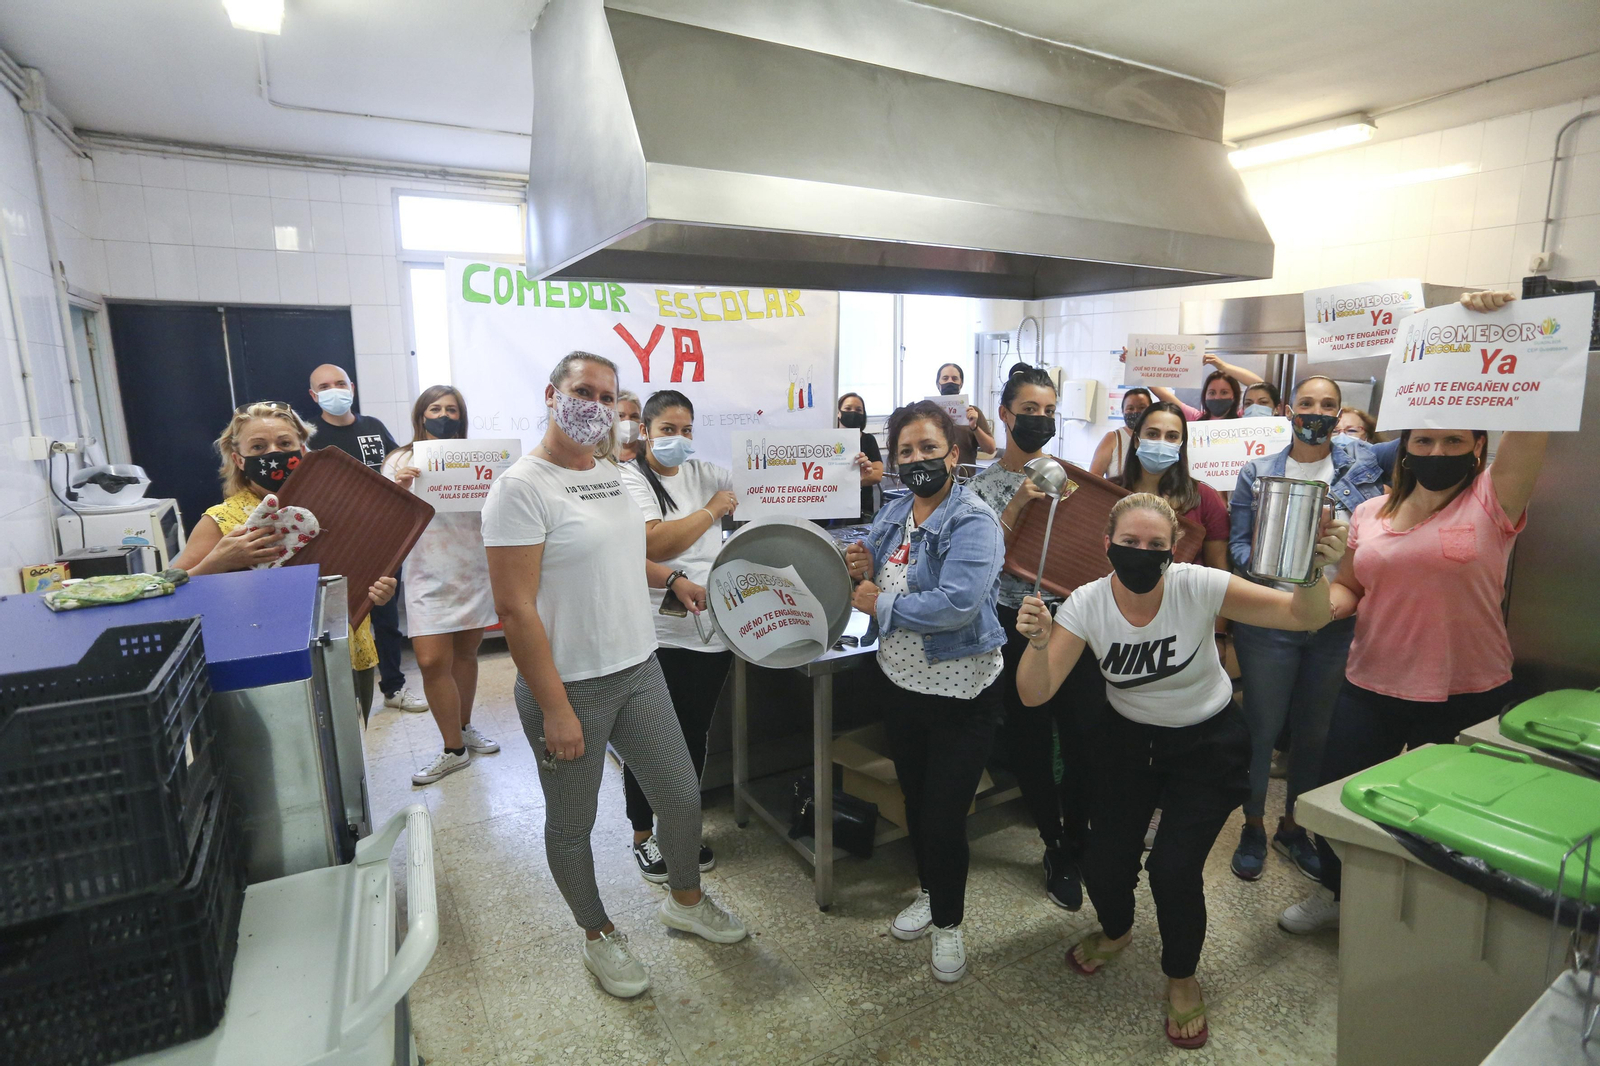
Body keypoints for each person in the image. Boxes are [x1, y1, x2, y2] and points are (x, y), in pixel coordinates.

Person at [1014, 492, 1348, 1049]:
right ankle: (1118, 930)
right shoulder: (1085, 604)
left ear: (1173, 551)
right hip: (1128, 743)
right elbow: (1034, 694)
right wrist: (1039, 642)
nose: (1142, 554)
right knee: (1104, 859)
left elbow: (1303, 617)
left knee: (1173, 870)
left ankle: (1182, 974)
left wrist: (1313, 575)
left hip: (1207, 743)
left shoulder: (1197, 584)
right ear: (1107, 546)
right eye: (1129, 544)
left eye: (1155, 546)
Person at [1280, 290, 1545, 935]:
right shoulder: (1372, 514)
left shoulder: (1491, 504)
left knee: (1447, 811)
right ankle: (1339, 895)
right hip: (1372, 683)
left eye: (1453, 439)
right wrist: (1311, 598)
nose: (1435, 449)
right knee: (1345, 794)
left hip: (1469, 688)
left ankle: (1432, 918)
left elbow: (1535, 416)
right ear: (1405, 447)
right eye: (1423, 439)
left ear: (1477, 449)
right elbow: (1350, 593)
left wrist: (1502, 325)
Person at [482, 351, 746, 1000]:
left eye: (608, 397)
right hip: (569, 686)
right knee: (572, 824)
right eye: (583, 392)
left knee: (681, 797)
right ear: (552, 395)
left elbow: (629, 555)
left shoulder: (606, 472)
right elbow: (515, 609)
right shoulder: (521, 487)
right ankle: (598, 935)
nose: (596, 407)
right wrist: (556, 709)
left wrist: (675, 579)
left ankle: (685, 900)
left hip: (639, 668)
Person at [843, 400, 1006, 984]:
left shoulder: (973, 520)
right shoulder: (894, 511)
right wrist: (862, 563)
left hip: (961, 692)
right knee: (915, 801)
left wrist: (880, 601)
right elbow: (875, 568)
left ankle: (950, 924)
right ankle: (932, 891)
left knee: (944, 817)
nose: (917, 460)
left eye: (928, 449)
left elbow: (958, 604)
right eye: (905, 451)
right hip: (902, 683)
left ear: (954, 455)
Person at [1226, 376, 1400, 881]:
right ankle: (1253, 826)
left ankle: (1292, 828)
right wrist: (1278, 562)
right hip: (1273, 618)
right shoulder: (1256, 472)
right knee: (1261, 728)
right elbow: (1237, 548)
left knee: (1314, 734)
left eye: (1329, 405)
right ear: (1288, 410)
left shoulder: (1363, 460)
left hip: (1335, 622)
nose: (1317, 413)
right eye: (1307, 404)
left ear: (1341, 412)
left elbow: (1420, 435)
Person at [172, 401, 396, 718]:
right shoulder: (222, 521)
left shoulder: (335, 506)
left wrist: (377, 589)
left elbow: (361, 569)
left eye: (285, 444)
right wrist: (217, 562)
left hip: (346, 654)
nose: (273, 453)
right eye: (259, 446)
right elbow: (170, 589)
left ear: (302, 450)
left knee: (349, 751)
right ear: (238, 458)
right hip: (268, 663)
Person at [970, 367, 1099, 911]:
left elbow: (1085, 540)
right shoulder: (979, 484)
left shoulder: (1065, 475)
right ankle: (1053, 846)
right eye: (1029, 411)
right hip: (1014, 623)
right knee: (1030, 735)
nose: (1039, 420)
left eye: (1048, 411)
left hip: (1072, 622)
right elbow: (981, 559)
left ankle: (1080, 837)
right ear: (1004, 414)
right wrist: (1019, 503)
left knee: (1081, 736)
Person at [616, 389, 738, 881]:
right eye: (668, 429)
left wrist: (844, 471)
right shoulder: (629, 478)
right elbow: (654, 541)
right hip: (656, 629)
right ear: (645, 431)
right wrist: (712, 511)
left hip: (710, 627)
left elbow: (775, 486)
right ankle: (643, 835)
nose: (679, 439)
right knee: (648, 737)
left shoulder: (705, 473)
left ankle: (682, 824)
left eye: (687, 429)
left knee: (694, 731)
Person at [383, 386, 501, 786]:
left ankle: (463, 730)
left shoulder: (477, 457)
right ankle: (452, 751)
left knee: (467, 653)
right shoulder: (400, 459)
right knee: (433, 661)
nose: (443, 415)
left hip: (472, 567)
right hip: (425, 571)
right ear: (421, 414)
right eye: (435, 408)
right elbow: (386, 517)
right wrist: (398, 487)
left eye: (452, 409)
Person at [306, 364, 422, 714]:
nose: (334, 390)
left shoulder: (373, 427)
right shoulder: (308, 438)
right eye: (324, 386)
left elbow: (394, 467)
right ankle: (340, 695)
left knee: (386, 616)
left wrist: (404, 476)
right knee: (340, 620)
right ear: (313, 396)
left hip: (382, 538)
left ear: (352, 388)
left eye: (340, 383)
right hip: (334, 543)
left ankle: (393, 686)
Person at [1115, 402, 1230, 570]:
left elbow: (1218, 573)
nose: (1161, 442)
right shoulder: (1109, 491)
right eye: (1153, 434)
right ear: (1137, 441)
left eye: (1172, 436)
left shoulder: (1205, 498)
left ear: (1181, 444)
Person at [1144, 353, 1261, 421]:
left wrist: (1223, 366)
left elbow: (1261, 387)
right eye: (1212, 393)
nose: (1217, 397)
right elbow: (1163, 394)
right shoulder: (1196, 418)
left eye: (1224, 392)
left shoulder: (1243, 417)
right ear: (1204, 395)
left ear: (1234, 396)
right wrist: (1136, 364)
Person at [836, 392, 885, 521]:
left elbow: (877, 474)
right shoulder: (826, 439)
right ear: (838, 412)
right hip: (830, 508)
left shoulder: (868, 440)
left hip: (861, 510)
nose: (853, 412)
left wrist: (843, 482)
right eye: (848, 408)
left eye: (858, 410)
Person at [935, 362, 995, 463]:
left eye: (954, 379)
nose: (950, 381)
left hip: (964, 476)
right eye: (945, 378)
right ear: (938, 383)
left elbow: (990, 449)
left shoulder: (973, 412)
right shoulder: (928, 412)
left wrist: (974, 427)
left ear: (961, 384)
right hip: (934, 476)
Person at [1089, 387, 1152, 479]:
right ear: (1122, 411)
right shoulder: (1113, 438)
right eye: (1130, 408)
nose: (1135, 412)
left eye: (1142, 408)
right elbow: (1093, 477)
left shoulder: (1158, 439)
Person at [613, 391, 644, 464]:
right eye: (620, 416)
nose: (628, 420)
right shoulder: (600, 455)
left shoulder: (650, 452)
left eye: (634, 416)